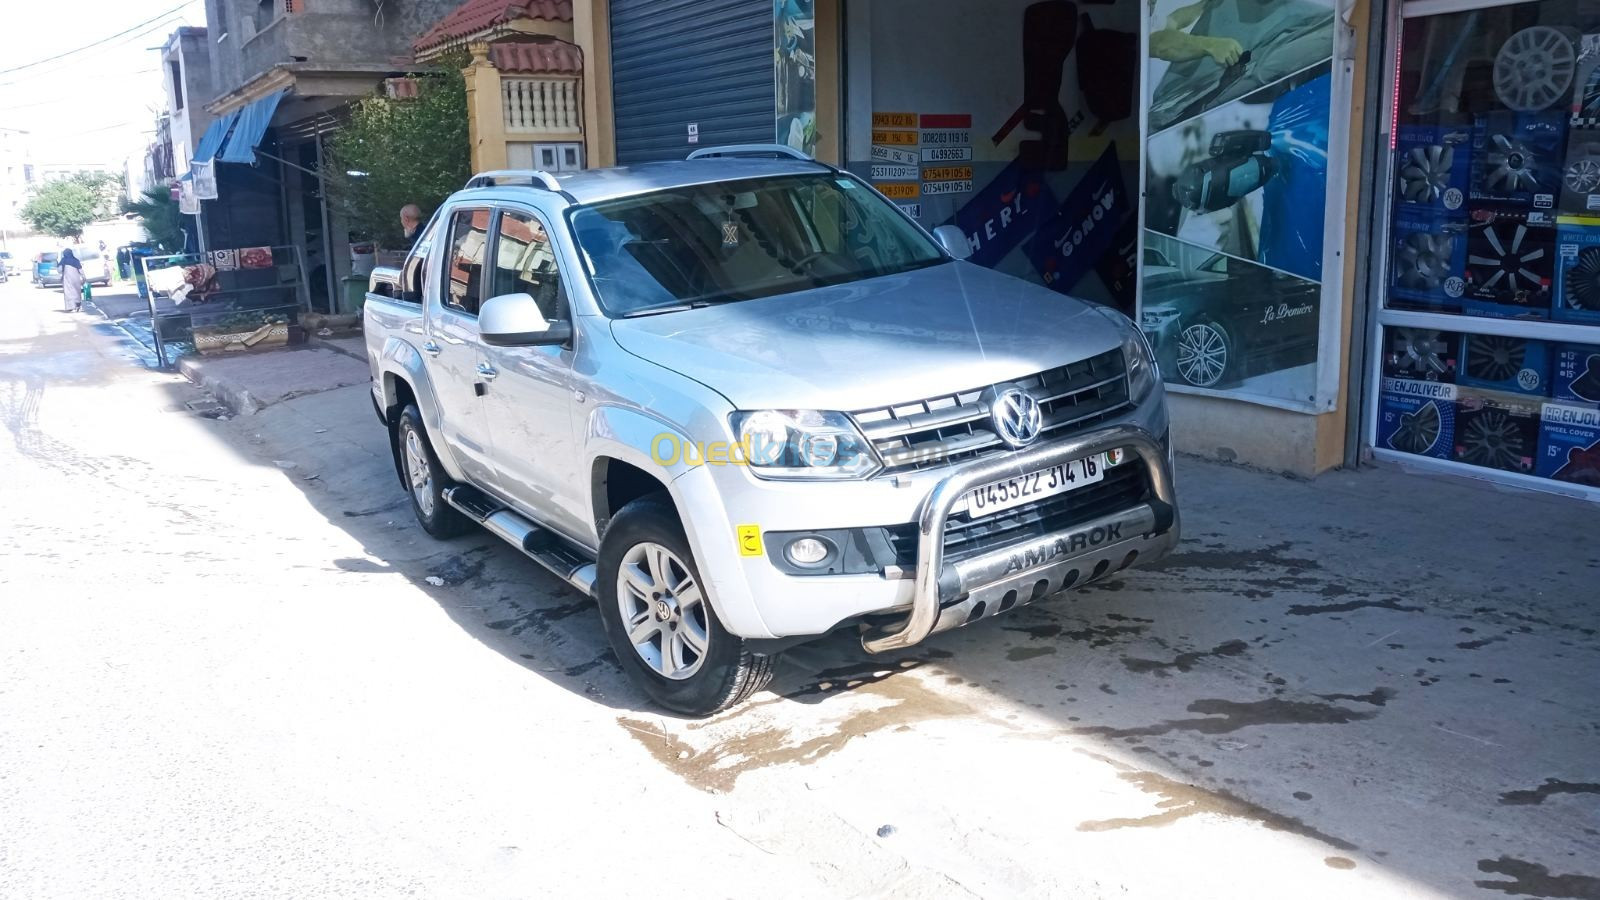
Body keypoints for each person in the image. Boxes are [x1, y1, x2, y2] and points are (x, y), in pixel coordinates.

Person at [59, 248, 86, 313]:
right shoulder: (76, 260)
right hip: (76, 279)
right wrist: (84, 278)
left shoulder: (63, 260)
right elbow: (80, 270)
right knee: (77, 292)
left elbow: (59, 269)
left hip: (67, 279)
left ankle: (71, 307)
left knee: (68, 292)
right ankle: (78, 306)